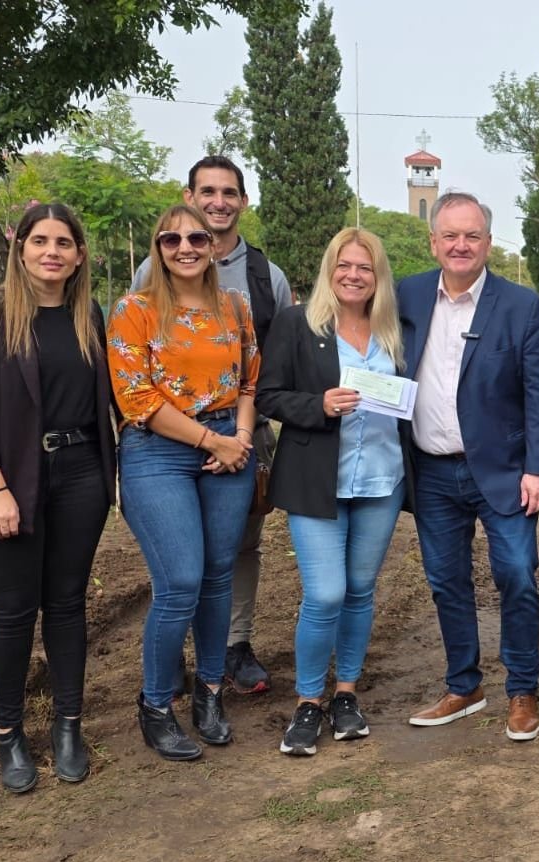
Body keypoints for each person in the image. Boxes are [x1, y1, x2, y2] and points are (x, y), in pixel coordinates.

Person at [0, 203, 116, 792]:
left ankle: (69, 725)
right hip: (8, 481)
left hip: (80, 478)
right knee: (14, 614)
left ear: (79, 255)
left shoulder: (86, 315)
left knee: (68, 606)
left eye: (63, 242)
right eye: (39, 240)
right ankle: (9, 735)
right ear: (20, 249)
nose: (52, 251)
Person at [399, 191, 539, 742]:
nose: (460, 245)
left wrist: (538, 468)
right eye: (450, 235)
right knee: (446, 581)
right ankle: (464, 685)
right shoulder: (408, 296)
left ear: (488, 243)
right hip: (433, 472)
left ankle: (522, 690)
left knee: (516, 575)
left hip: (505, 471)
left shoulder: (519, 305)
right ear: (434, 242)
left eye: (472, 236)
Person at [132, 156, 293, 693]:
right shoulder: (150, 275)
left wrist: (244, 438)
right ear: (190, 196)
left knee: (238, 549)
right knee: (180, 555)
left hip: (245, 434)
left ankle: (233, 647)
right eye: (208, 191)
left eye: (230, 192)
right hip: (167, 437)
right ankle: (175, 648)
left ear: (243, 202)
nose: (219, 201)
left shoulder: (265, 278)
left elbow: (276, 363)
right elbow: (136, 369)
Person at [109, 203, 259, 761]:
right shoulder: (135, 310)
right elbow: (137, 397)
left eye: (196, 237)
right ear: (158, 248)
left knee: (220, 575)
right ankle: (155, 704)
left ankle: (211, 693)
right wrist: (210, 441)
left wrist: (238, 439)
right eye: (171, 240)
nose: (186, 247)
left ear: (214, 244)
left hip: (227, 448)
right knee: (180, 581)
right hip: (159, 451)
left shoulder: (234, 307)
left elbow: (249, 379)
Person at [256, 228, 407, 756]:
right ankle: (306, 701)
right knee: (325, 594)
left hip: (380, 480)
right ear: (329, 268)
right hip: (315, 481)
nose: (353, 275)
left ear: (378, 275)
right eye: (344, 265)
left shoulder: (394, 329)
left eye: (365, 268)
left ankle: (346, 693)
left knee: (361, 591)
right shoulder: (298, 324)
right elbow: (269, 395)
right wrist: (317, 405)